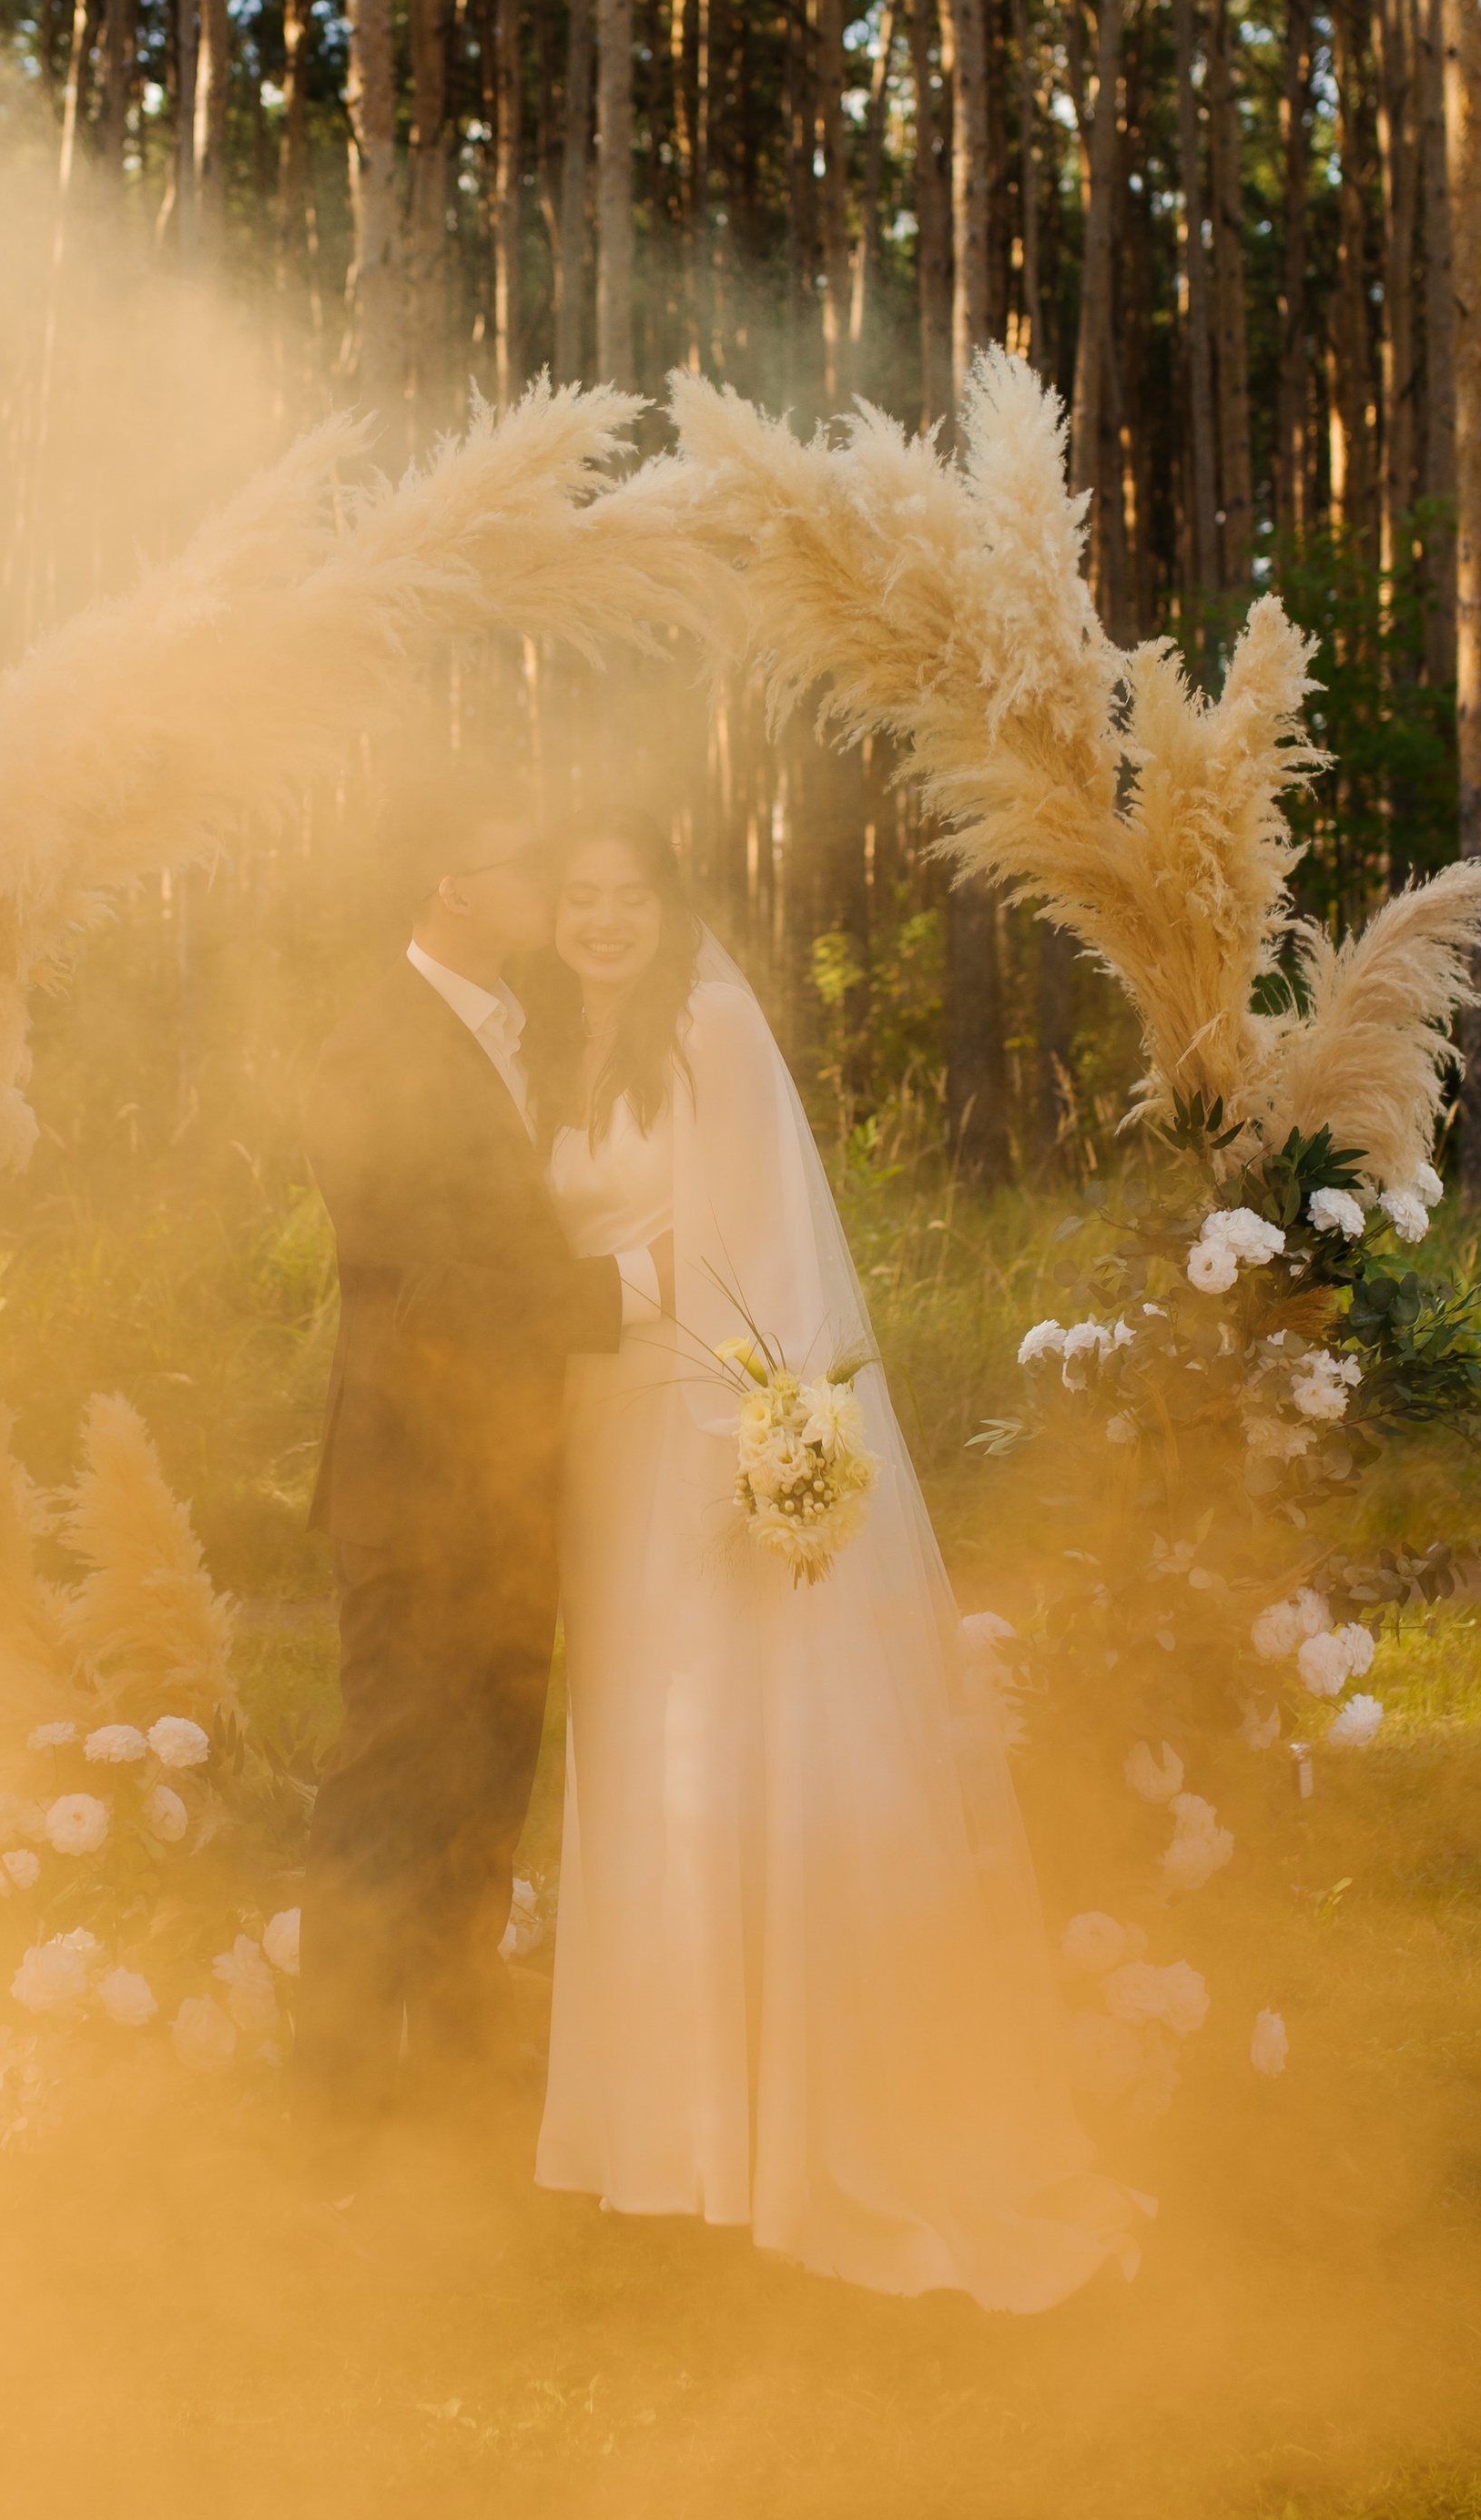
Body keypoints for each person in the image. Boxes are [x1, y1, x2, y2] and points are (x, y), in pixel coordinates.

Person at [525, 807, 1146, 2310]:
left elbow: (761, 1255)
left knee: (717, 1765)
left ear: (667, 898)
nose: (600, 917)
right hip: (599, 1443)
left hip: (691, 1440)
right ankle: (660, 2141)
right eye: (579, 892)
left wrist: (767, 1442)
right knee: (636, 1772)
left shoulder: (710, 1030)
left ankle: (763, 2144)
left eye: (625, 892)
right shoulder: (557, 1039)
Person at [299, 774, 672, 2143]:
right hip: (415, 1487)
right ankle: (333, 2118)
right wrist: (629, 1287)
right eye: (524, 863)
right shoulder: (369, 1054)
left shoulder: (528, 1029)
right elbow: (429, 1292)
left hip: (517, 1478)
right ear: (452, 888)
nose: (549, 880)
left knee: (487, 1788)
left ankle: (457, 2078)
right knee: (389, 1790)